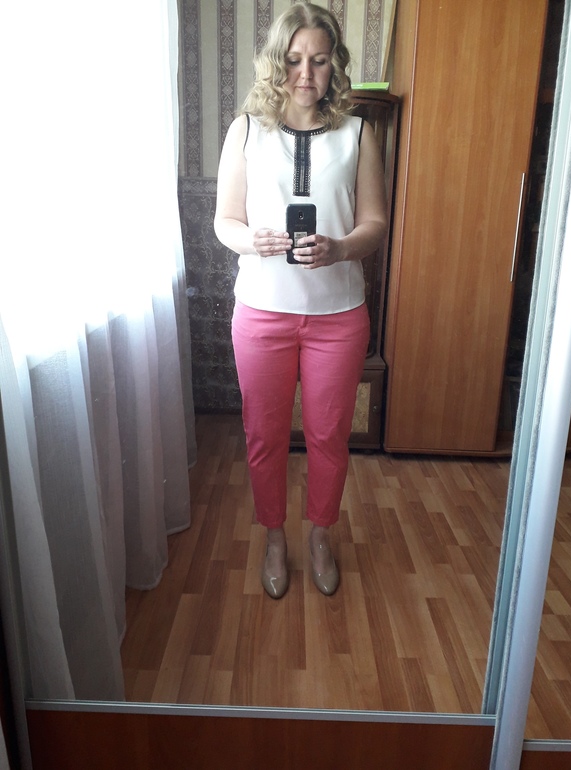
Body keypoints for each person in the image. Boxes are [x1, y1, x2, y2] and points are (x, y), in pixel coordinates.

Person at [214, 1, 387, 599]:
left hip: (338, 316)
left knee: (328, 437)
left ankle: (319, 534)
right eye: (293, 60)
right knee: (264, 435)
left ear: (335, 64)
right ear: (276, 62)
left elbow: (375, 224)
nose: (305, 74)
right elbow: (225, 222)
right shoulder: (245, 130)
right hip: (261, 311)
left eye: (318, 60)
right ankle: (273, 537)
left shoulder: (358, 133)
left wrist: (340, 249)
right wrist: (253, 240)